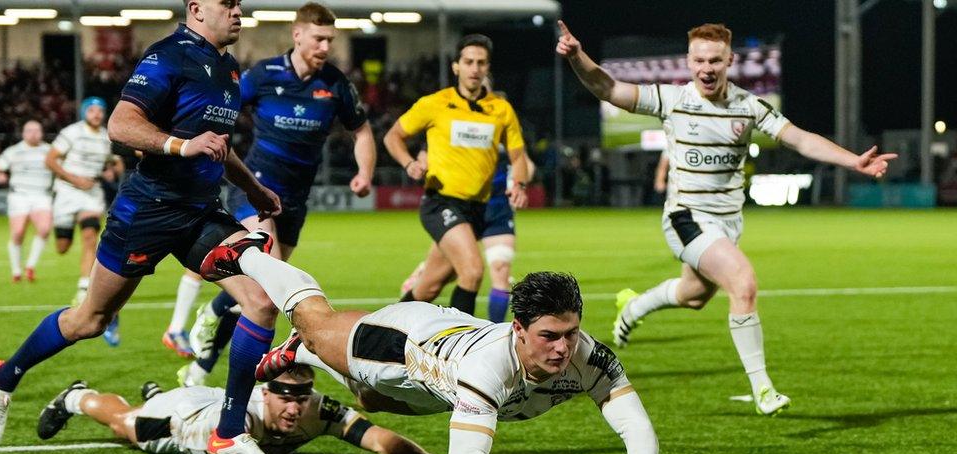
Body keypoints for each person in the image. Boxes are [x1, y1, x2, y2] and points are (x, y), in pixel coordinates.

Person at [0, 0, 294, 454]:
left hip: (199, 215)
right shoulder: (167, 55)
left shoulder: (228, 69)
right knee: (90, 320)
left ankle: (229, 433)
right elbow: (121, 125)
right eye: (226, 3)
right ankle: (2, 377)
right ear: (196, 9)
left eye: (239, 4)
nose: (237, 11)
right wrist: (180, 146)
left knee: (260, 302)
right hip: (147, 211)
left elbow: (218, 145)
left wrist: (253, 189)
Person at [557, 21, 897, 415]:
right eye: (699, 59)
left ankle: (634, 307)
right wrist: (578, 57)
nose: (707, 67)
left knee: (694, 296)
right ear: (688, 61)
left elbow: (800, 138)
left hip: (727, 224)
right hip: (686, 217)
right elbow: (608, 89)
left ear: (729, 61)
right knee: (744, 282)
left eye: (715, 60)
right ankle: (763, 389)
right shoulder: (671, 99)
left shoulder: (748, 107)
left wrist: (853, 160)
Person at [196, 245, 659, 454]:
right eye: (549, 336)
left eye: (571, 333)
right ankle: (249, 256)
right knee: (315, 321)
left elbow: (629, 413)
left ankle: (305, 352)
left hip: (445, 371)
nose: (563, 348)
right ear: (519, 329)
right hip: (407, 344)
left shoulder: (588, 355)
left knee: (369, 401)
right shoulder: (489, 369)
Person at [185, 1, 375, 372]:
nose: (325, 47)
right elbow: (223, 108)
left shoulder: (335, 83)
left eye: (330, 40)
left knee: (261, 290)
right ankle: (253, 367)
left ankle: (203, 357)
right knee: (271, 280)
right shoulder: (264, 74)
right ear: (298, 34)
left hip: (295, 199)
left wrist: (364, 172)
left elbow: (362, 130)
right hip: (255, 188)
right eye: (319, 39)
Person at [36, 365, 446, 454]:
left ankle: (155, 395)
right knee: (127, 427)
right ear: (266, 393)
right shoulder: (245, 416)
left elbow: (374, 438)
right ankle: (76, 396)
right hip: (192, 418)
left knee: (130, 427)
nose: (294, 410)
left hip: (218, 402)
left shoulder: (316, 409)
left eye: (300, 400)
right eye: (284, 399)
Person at [384, 34, 529, 317]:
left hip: (476, 209)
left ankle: (386, 332)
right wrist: (409, 162)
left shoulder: (501, 110)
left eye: (481, 63)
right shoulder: (436, 103)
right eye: (469, 62)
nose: (475, 68)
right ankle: (461, 349)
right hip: (441, 203)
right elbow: (393, 137)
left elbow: (517, 156)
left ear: (488, 68)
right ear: (456, 67)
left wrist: (519, 184)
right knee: (473, 271)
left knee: (429, 287)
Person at [400, 145, 536, 323]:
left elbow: (524, 162)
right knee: (432, 286)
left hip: (499, 210)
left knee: (499, 269)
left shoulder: (505, 123)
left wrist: (519, 184)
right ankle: (389, 327)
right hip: (464, 208)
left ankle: (493, 332)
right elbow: (427, 147)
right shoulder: (461, 122)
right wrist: (419, 162)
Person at [46, 97, 125, 306]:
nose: (97, 114)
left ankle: (83, 289)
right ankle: (65, 235)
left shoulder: (106, 137)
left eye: (100, 110)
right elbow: (50, 160)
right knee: (62, 247)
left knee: (90, 236)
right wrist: (74, 179)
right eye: (92, 110)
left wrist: (113, 170)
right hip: (66, 192)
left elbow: (115, 162)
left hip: (92, 193)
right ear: (84, 113)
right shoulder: (71, 132)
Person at [0, 120, 54, 283]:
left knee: (45, 229)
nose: (33, 133)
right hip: (20, 195)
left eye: (37, 130)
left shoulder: (49, 150)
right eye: (29, 130)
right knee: (18, 233)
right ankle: (16, 270)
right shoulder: (15, 151)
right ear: (23, 133)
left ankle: (30, 266)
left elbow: (62, 167)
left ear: (42, 132)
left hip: (42, 194)